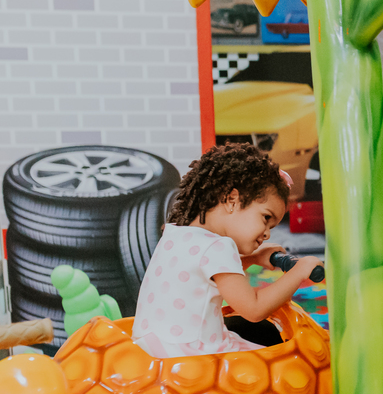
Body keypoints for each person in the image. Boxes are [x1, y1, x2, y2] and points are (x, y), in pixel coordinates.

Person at [132, 143, 321, 358]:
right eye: (266, 218)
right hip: (195, 355)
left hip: (155, 350)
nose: (267, 234)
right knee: (287, 362)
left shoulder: (176, 234)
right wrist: (299, 272)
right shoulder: (219, 246)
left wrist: (254, 259)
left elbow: (204, 277)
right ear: (232, 200)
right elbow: (254, 309)